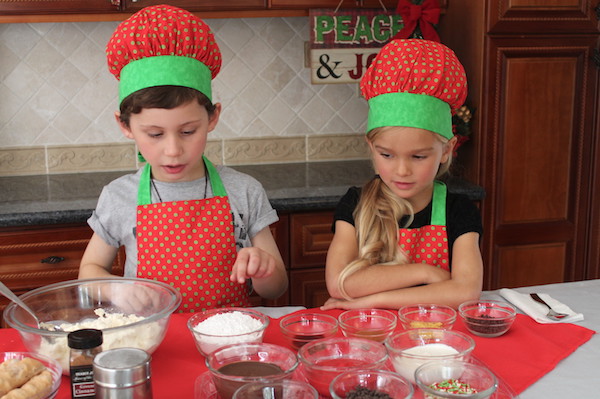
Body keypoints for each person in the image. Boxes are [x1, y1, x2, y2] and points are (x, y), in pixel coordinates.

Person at [79, 5, 287, 312]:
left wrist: (264, 269)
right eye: (155, 134)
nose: (173, 149)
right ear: (125, 126)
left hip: (226, 338)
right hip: (153, 339)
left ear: (213, 117)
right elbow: (89, 272)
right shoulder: (118, 196)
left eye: (188, 131)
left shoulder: (244, 191)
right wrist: (113, 288)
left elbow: (277, 288)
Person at [322, 39, 483, 310]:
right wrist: (424, 272)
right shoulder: (355, 204)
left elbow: (466, 291)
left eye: (418, 156)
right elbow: (339, 283)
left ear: (447, 149)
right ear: (372, 148)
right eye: (387, 155)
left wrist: (372, 299)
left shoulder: (459, 211)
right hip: (372, 336)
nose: (402, 171)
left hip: (437, 344)